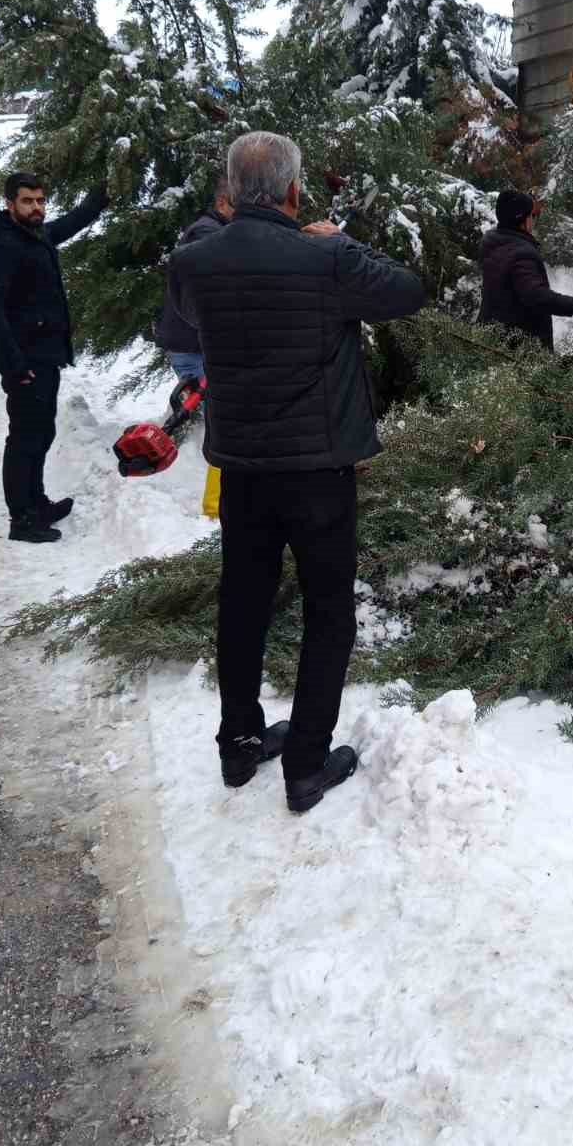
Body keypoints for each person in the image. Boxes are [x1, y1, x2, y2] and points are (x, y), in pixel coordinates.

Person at [169, 131, 425, 814]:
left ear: (232, 190)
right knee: (328, 613)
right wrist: (342, 241)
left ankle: (239, 743)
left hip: (243, 471)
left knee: (243, 604)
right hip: (317, 471)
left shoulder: (193, 263)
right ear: (292, 189)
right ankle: (307, 764)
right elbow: (408, 290)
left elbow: (189, 318)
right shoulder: (326, 258)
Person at [0, 172, 108, 544]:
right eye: (27, 201)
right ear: (10, 204)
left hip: (44, 356)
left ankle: (36, 503)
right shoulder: (4, 245)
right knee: (24, 439)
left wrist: (101, 194)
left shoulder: (35, 234)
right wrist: (14, 364)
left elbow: (70, 223)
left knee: (42, 433)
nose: (36, 207)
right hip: (24, 362)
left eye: (40, 201)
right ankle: (22, 519)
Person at [478, 189, 573, 348]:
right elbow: (536, 296)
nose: (533, 220)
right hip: (519, 347)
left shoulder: (493, 243)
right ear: (522, 219)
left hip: (492, 338)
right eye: (531, 215)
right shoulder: (521, 254)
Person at [154, 175, 233, 380]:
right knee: (209, 399)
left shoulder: (215, 229)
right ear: (221, 202)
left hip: (195, 344)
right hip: (191, 347)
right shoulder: (206, 232)